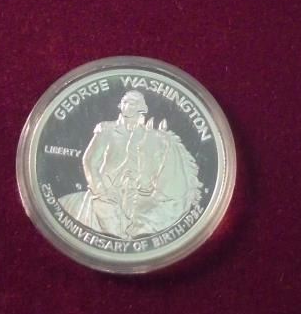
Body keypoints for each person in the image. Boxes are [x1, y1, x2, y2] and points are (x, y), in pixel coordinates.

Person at [59, 90, 203, 239]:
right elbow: (89, 161)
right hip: (108, 193)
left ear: (141, 108)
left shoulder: (148, 135)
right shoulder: (106, 129)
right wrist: (101, 190)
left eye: (132, 103)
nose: (127, 106)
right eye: (124, 102)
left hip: (138, 193)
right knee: (114, 231)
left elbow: (155, 162)